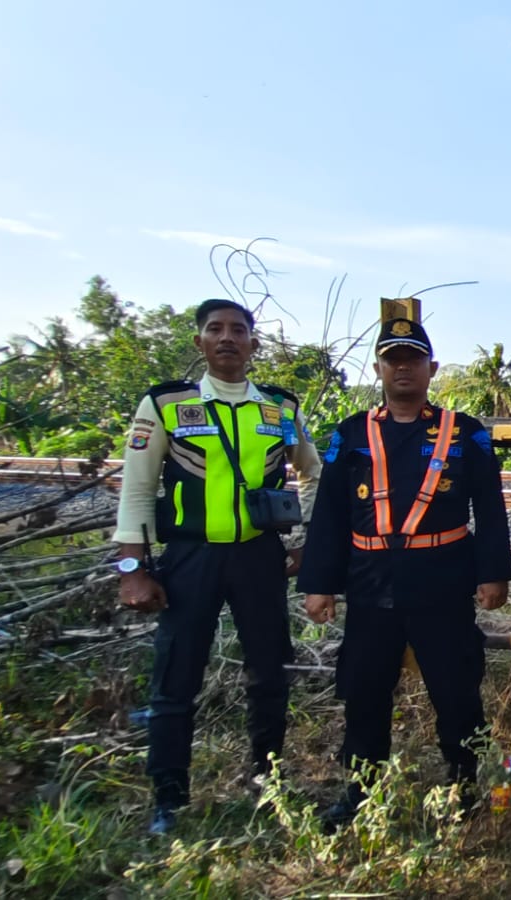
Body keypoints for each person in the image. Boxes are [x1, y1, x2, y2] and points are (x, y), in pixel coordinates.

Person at [113, 298, 322, 835]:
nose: (227, 338)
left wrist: (308, 540)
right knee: (175, 678)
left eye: (238, 330)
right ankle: (168, 799)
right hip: (190, 559)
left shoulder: (279, 409)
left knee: (270, 674)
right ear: (199, 343)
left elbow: (313, 474)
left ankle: (266, 784)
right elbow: (136, 489)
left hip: (259, 557)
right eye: (214, 330)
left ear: (254, 344)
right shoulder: (165, 404)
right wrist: (133, 568)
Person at [297, 318, 511, 830]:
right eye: (393, 359)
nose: (403, 368)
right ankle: (361, 790)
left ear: (431, 369)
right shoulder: (351, 433)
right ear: (378, 368)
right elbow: (328, 512)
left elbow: (489, 505)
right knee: (364, 689)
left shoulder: (464, 432)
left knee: (457, 688)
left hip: (443, 580)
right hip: (370, 584)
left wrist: (494, 574)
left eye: (413, 359)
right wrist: (319, 583)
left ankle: (464, 783)